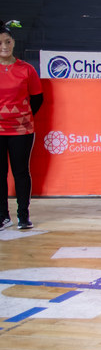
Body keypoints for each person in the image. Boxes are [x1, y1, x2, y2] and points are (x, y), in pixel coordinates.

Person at [0, 22, 42, 230]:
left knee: (20, 172)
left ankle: (23, 216)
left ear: (13, 42)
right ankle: (2, 216)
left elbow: (37, 98)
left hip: (21, 131)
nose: (4, 46)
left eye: (8, 42)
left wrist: (22, 116)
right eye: (0, 43)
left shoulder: (26, 69)